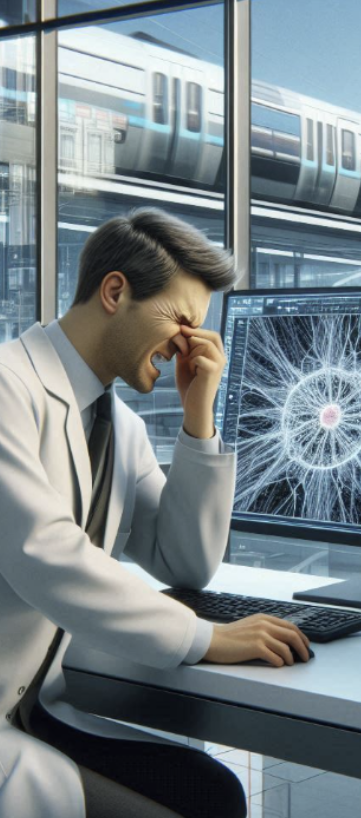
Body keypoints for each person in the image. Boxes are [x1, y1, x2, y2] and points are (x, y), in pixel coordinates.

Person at [0, 209, 311, 818]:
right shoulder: (7, 387)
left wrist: (199, 418)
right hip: (14, 716)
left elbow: (185, 561)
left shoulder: (120, 427)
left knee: (211, 793)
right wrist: (205, 637)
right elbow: (42, 552)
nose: (188, 343)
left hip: (32, 705)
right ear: (116, 292)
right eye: (181, 320)